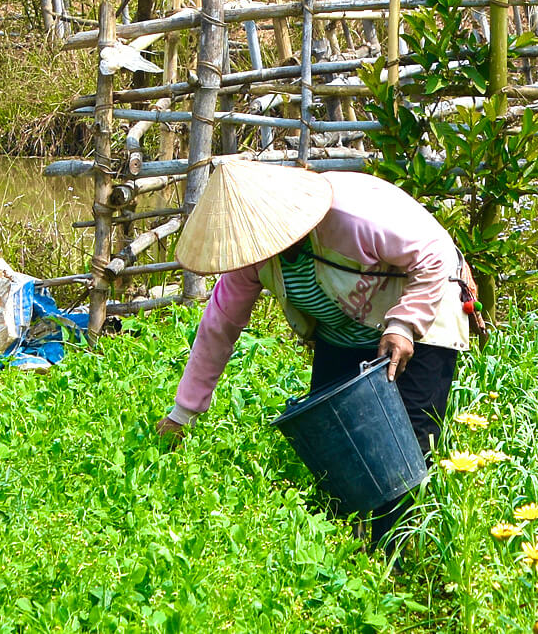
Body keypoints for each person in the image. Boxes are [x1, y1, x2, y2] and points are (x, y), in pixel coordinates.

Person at [155, 160, 485, 546]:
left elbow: (433, 256)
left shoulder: (351, 218)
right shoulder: (254, 256)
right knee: (336, 447)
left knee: (404, 449)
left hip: (424, 306)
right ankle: (345, 554)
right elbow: (219, 327)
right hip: (347, 325)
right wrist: (184, 413)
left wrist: (404, 325)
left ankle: (396, 562)